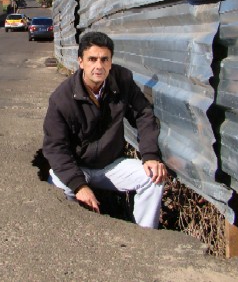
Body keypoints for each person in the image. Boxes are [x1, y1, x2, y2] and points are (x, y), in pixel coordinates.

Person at [42, 31, 168, 228]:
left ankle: (145, 237)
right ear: (80, 62)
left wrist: (150, 154)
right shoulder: (62, 98)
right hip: (78, 167)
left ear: (111, 62)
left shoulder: (122, 80)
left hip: (111, 165)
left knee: (153, 178)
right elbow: (55, 147)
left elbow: (143, 114)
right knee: (56, 185)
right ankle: (68, 236)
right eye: (92, 59)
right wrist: (79, 185)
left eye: (104, 59)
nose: (98, 66)